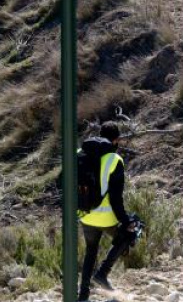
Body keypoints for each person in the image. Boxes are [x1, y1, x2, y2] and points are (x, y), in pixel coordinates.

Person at [78, 122, 137, 302]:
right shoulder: (114, 160)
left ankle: (83, 296)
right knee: (129, 235)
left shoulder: (79, 154)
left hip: (84, 215)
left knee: (91, 250)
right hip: (106, 217)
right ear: (116, 140)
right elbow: (116, 200)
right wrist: (127, 223)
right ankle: (102, 273)